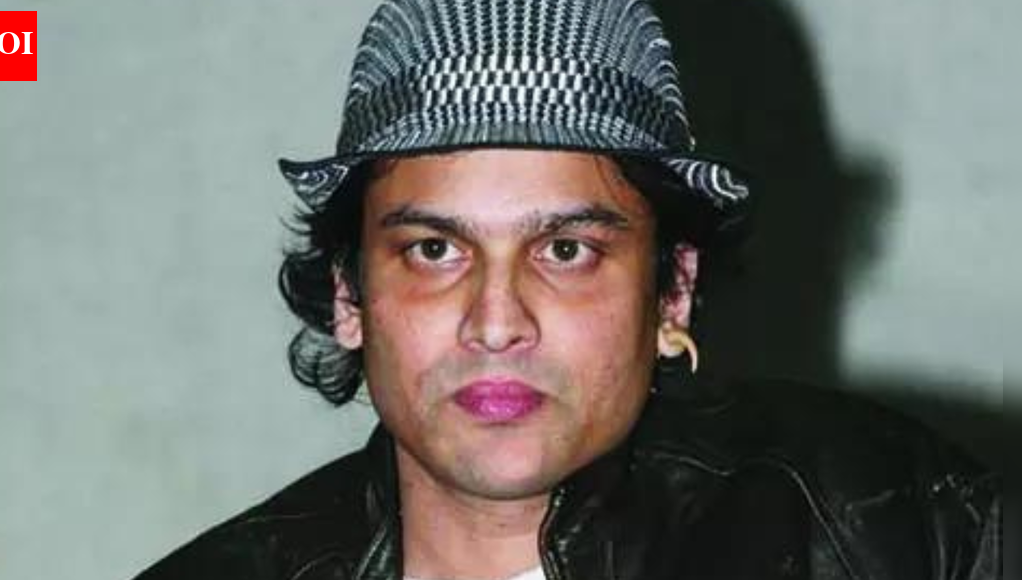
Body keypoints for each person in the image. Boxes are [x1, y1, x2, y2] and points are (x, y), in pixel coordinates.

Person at [134, 0, 1000, 578]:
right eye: (434, 249)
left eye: (565, 249)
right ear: (348, 296)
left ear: (672, 292)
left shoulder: (891, 527)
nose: (496, 322)